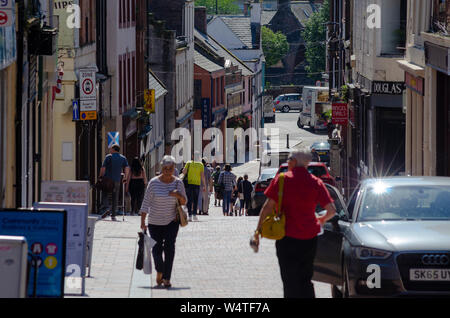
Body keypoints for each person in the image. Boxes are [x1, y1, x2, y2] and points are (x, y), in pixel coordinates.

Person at [252, 149, 336, 298]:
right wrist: (320, 220)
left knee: (289, 280)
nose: (288, 162)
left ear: (295, 162)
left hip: (287, 236)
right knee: (306, 279)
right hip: (309, 238)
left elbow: (267, 208)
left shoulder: (282, 179)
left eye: (290, 159)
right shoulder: (315, 182)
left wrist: (258, 231)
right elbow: (331, 210)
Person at [140, 156, 187, 288]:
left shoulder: (178, 183)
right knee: (156, 248)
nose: (167, 171)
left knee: (170, 248)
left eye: (170, 168)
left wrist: (177, 195)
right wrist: (143, 220)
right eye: (165, 168)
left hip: (172, 222)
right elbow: (146, 202)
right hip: (154, 222)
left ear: (174, 169)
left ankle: (166, 278)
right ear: (161, 169)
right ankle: (160, 270)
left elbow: (184, 202)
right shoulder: (153, 183)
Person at [99, 144, 130, 221]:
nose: (110, 150)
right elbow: (127, 168)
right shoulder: (123, 158)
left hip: (107, 179)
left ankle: (106, 208)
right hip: (117, 180)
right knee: (115, 197)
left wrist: (100, 176)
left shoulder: (108, 157)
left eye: (111, 149)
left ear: (113, 149)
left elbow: (103, 168)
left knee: (105, 193)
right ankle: (113, 214)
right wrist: (125, 177)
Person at [182, 154, 206, 222]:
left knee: (189, 200)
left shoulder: (188, 163)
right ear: (199, 157)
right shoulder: (201, 164)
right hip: (197, 184)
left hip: (189, 184)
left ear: (192, 156)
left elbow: (184, 172)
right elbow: (202, 176)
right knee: (195, 200)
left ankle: (189, 216)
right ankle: (194, 215)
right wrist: (204, 185)